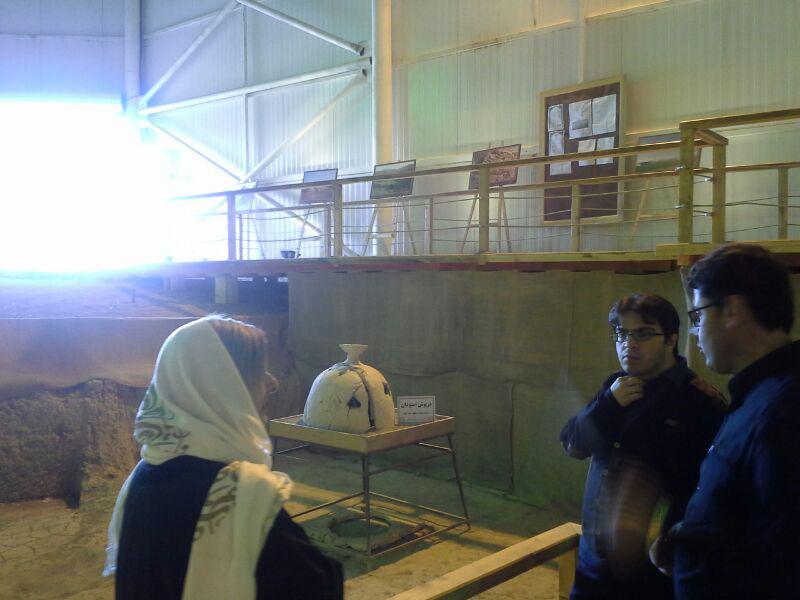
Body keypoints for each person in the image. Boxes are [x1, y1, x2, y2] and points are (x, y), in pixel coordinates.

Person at [104, 316, 343, 600]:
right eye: (257, 371)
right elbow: (316, 587)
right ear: (221, 384)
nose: (272, 382)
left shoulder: (142, 475)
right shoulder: (239, 494)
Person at [560, 294, 725, 600]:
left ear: (671, 340)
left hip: (652, 574)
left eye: (643, 334)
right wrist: (607, 404)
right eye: (621, 334)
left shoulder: (699, 402)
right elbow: (573, 444)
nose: (629, 344)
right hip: (593, 563)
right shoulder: (615, 387)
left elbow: (713, 494)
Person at [668, 244, 800, 599]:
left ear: (732, 310)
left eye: (698, 316)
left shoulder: (783, 411)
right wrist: (685, 537)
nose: (694, 332)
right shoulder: (758, 396)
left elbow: (783, 559)